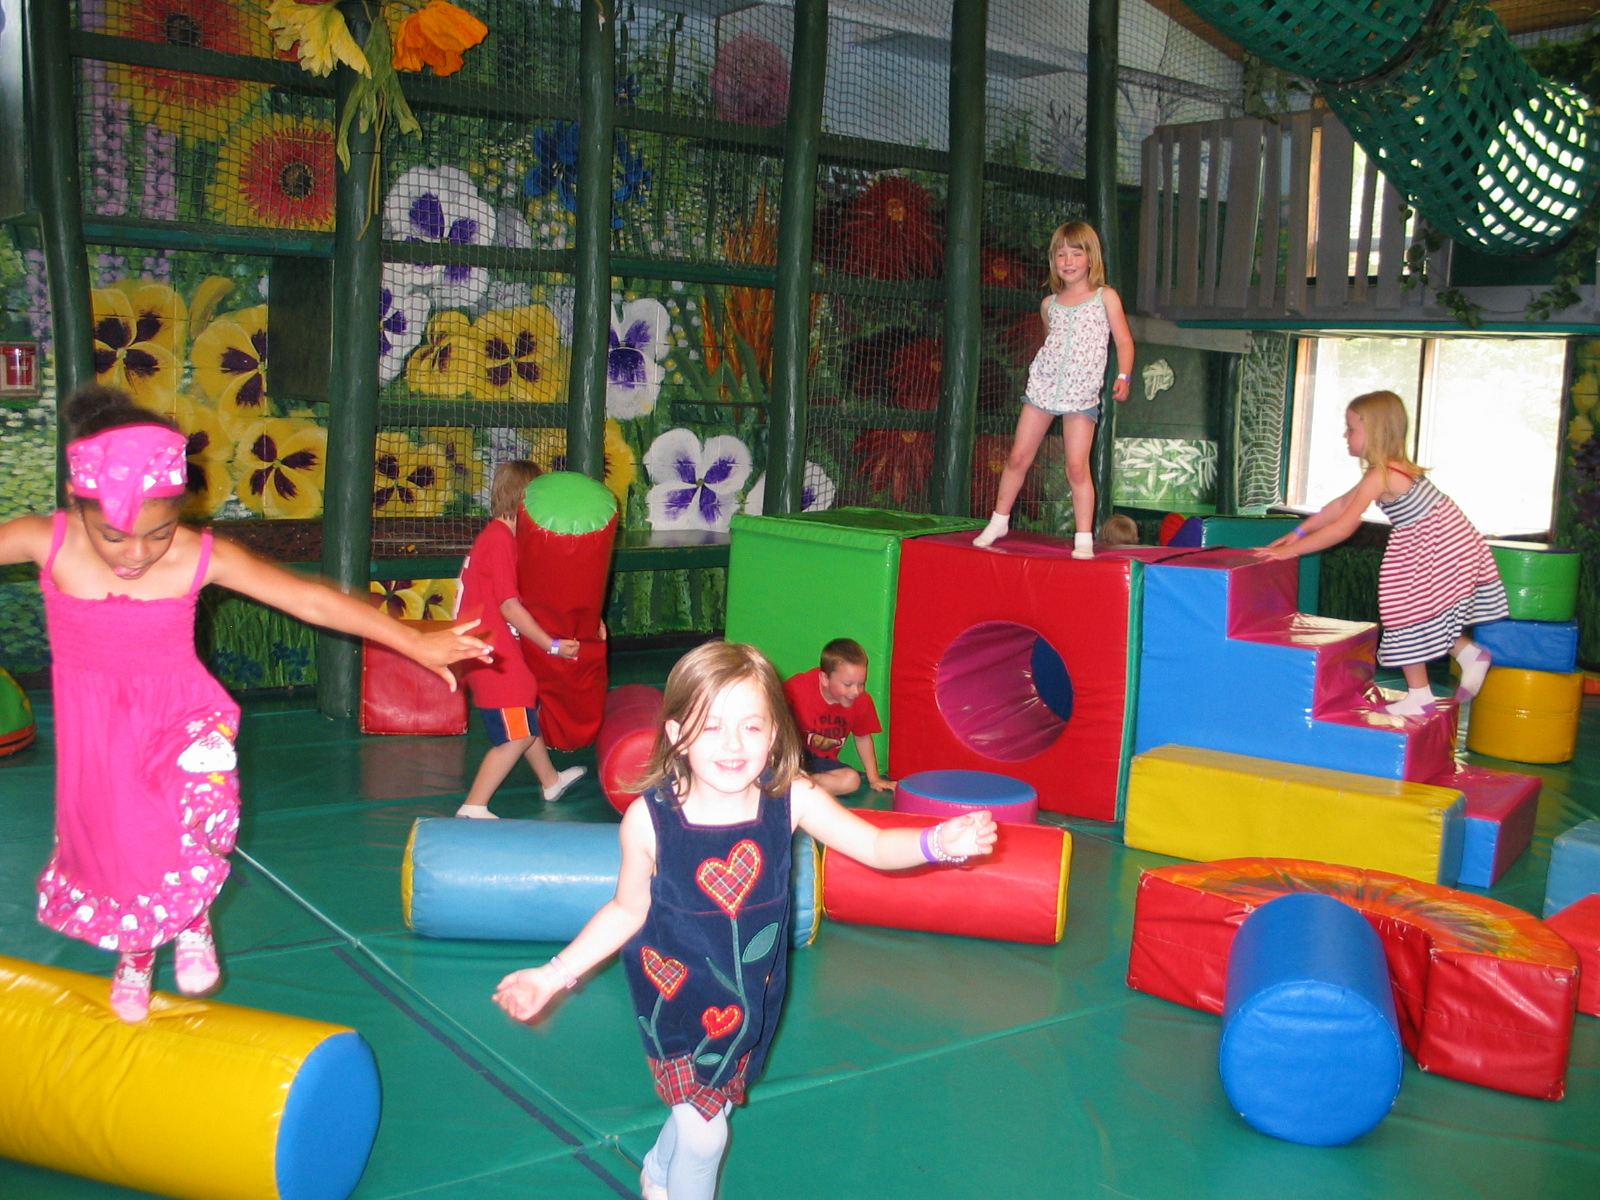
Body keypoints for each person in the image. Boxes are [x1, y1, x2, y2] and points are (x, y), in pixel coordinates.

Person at [0, 386, 492, 1022]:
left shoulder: (198, 556)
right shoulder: (47, 541)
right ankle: (136, 956)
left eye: (158, 532)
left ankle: (194, 919)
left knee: (199, 811)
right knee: (122, 846)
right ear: (76, 502)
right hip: (99, 735)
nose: (138, 553)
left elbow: (308, 599)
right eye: (114, 536)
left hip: (181, 716)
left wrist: (413, 641)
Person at [493, 641, 996, 1200]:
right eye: (711, 727)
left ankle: (659, 1167)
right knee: (706, 1133)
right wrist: (552, 975)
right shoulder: (651, 820)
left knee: (706, 1109)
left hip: (747, 996)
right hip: (674, 998)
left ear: (775, 734)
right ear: (678, 734)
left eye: (751, 727)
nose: (732, 745)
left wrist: (937, 842)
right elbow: (627, 909)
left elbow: (874, 846)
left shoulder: (792, 798)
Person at [1253, 390, 1506, 715]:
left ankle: (1421, 695)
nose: (1345, 435)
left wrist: (1292, 552)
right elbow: (1340, 506)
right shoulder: (1387, 470)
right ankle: (1467, 656)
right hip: (1447, 543)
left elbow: (1344, 526)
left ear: (1373, 431)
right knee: (1424, 611)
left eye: (1351, 428)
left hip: (1437, 547)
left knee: (1404, 610)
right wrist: (1298, 532)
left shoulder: (1381, 475)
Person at [973, 221, 1135, 557]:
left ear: (1091, 258)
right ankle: (999, 520)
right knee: (1018, 456)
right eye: (1061, 254)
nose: (1068, 261)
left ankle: (1083, 538)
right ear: (1053, 260)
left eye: (1076, 253)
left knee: (1076, 467)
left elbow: (1123, 340)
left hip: (1081, 394)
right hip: (1044, 387)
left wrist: (1124, 375)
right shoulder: (1050, 304)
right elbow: (1050, 341)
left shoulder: (1105, 297)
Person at [454, 460, 587, 818]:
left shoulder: (500, 537)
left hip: (490, 647)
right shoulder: (499, 540)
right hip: (491, 653)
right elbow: (510, 606)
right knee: (518, 731)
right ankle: (474, 805)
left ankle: (550, 780)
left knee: (524, 715)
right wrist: (551, 645)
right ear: (527, 500)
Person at [782, 638, 892, 796]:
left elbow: (862, 737)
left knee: (852, 780)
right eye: (848, 685)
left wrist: (874, 777)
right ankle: (786, 780)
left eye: (861, 683)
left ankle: (793, 784)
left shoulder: (861, 701)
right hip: (791, 754)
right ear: (825, 679)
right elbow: (771, 715)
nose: (855, 691)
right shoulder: (798, 688)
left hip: (820, 762)